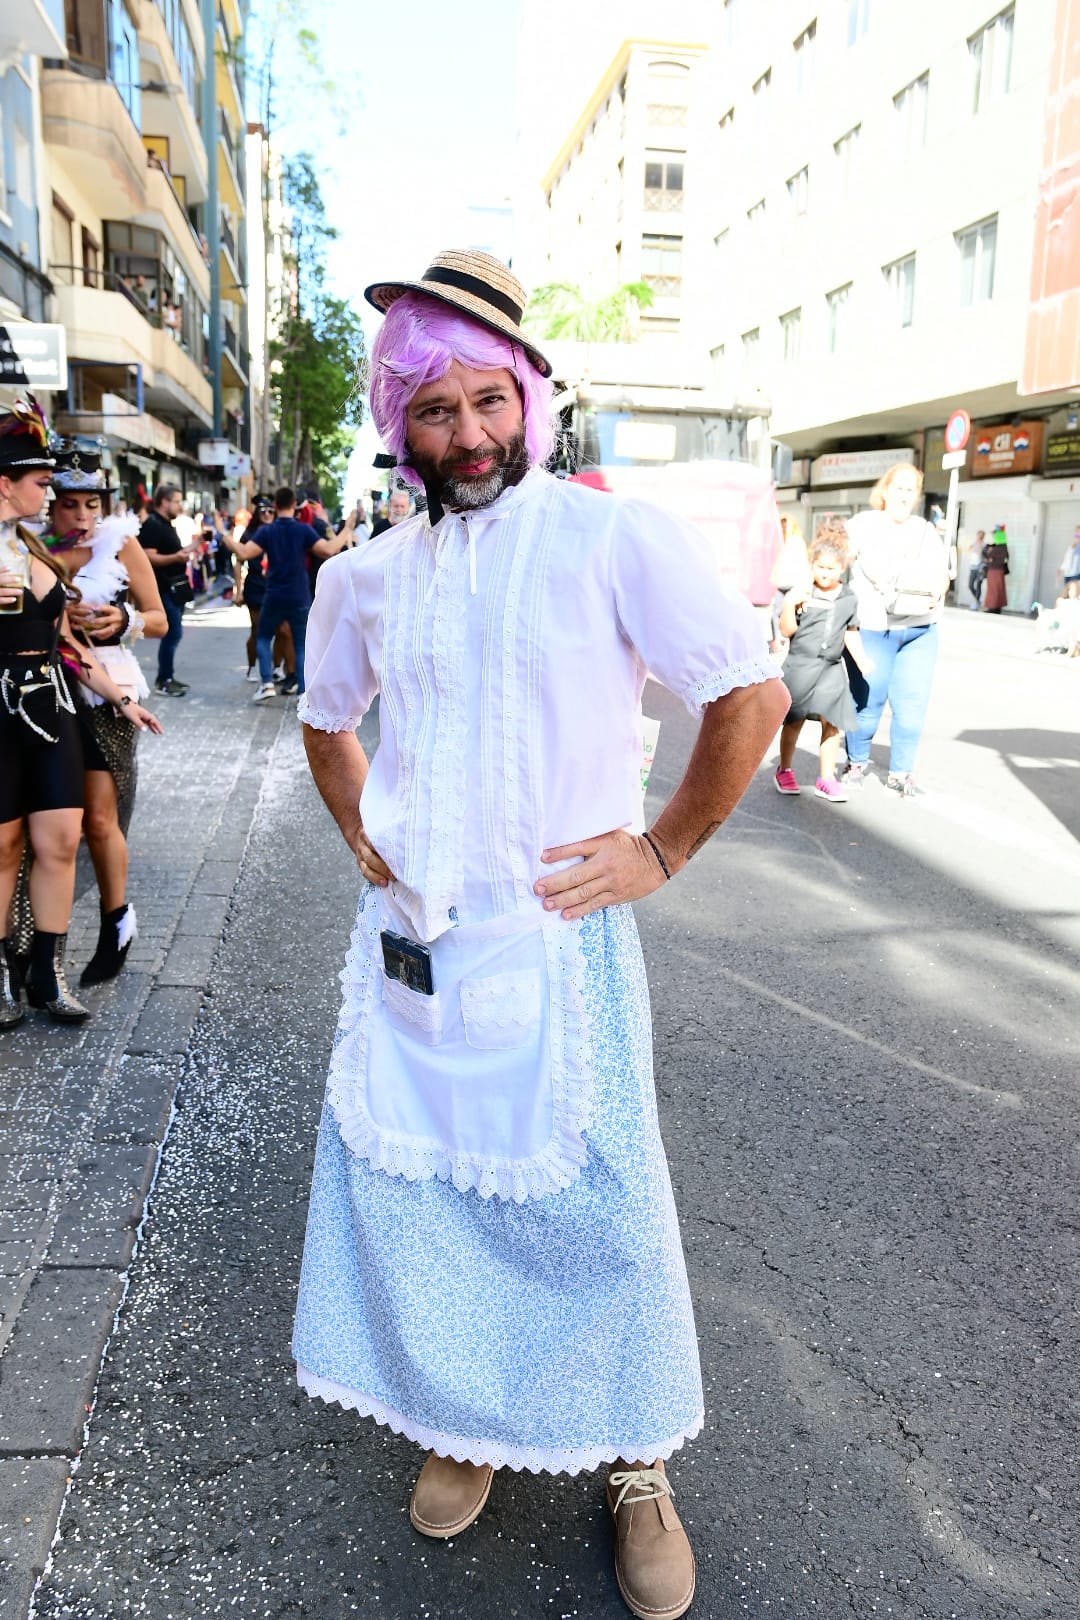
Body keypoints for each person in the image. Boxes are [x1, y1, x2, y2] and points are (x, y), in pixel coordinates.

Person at [290, 250, 788, 1620]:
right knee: (427, 1200)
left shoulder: (607, 536)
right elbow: (327, 716)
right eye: (434, 411)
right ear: (400, 423)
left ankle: (634, 1464)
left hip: (561, 945)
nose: (464, 437)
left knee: (607, 1216)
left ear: (530, 396)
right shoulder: (368, 576)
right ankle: (469, 1421)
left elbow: (747, 692)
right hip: (413, 952)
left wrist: (664, 844)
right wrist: (359, 834)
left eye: (486, 403)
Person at [0, 401, 160, 1028]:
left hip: (54, 708)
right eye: (45, 484)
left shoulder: (37, 551)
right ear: (6, 483)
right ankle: (7, 975)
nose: (56, 495)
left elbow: (66, 642)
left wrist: (123, 699)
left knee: (62, 839)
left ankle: (49, 973)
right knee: (6, 845)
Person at [43, 442, 167, 983]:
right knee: (49, 825)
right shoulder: (29, 548)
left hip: (110, 688)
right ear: (51, 504)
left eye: (92, 504)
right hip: (45, 690)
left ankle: (117, 923)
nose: (83, 516)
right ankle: (42, 948)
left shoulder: (122, 545)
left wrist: (121, 621)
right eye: (71, 504)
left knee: (99, 818)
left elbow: (159, 619)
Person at [840, 463, 950, 798]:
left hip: (920, 629)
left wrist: (939, 589)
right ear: (885, 490)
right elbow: (836, 557)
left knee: (912, 705)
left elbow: (942, 574)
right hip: (874, 627)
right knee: (868, 701)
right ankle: (856, 762)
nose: (904, 495)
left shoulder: (925, 531)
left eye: (911, 489)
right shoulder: (863, 524)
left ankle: (901, 773)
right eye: (899, 487)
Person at [774, 519, 873, 803]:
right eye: (820, 567)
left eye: (831, 569)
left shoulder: (849, 598)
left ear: (842, 568)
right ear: (811, 564)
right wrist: (791, 604)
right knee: (794, 721)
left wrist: (862, 660)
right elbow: (786, 630)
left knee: (833, 724)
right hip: (800, 666)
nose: (825, 573)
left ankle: (826, 779)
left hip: (831, 668)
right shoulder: (802, 592)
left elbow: (850, 633)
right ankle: (784, 769)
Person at [224, 486, 343, 703]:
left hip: (274, 595)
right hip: (299, 595)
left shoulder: (267, 531)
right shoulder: (303, 530)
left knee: (262, 637)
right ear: (294, 506)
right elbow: (328, 550)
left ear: (276, 505)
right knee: (300, 644)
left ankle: (267, 683)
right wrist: (348, 528)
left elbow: (243, 553)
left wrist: (223, 534)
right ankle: (303, 692)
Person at [139, 485, 197, 695]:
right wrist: (175, 558)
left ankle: (168, 676)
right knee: (172, 634)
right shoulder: (153, 524)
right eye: (177, 501)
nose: (180, 506)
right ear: (164, 502)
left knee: (174, 634)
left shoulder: (165, 524)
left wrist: (197, 543)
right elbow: (146, 555)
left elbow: (175, 553)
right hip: (163, 587)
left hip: (174, 587)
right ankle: (163, 680)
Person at [982, 525, 1009, 613]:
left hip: (994, 570)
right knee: (999, 589)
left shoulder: (997, 548)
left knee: (993, 589)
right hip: (999, 570)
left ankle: (992, 607)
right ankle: (997, 608)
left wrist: (989, 553)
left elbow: (987, 555)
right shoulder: (1003, 547)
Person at [967, 529, 987, 609]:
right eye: (979, 535)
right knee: (970, 585)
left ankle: (976, 602)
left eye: (982, 535)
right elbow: (968, 550)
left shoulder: (984, 545)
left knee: (978, 584)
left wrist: (980, 548)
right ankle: (978, 600)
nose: (980, 537)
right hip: (973, 567)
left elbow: (985, 556)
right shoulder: (973, 543)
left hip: (980, 568)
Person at [1060, 528, 1080, 600]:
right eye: (1077, 535)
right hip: (1068, 574)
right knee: (1067, 594)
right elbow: (1066, 560)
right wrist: (1060, 570)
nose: (1078, 537)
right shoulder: (1072, 546)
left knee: (1074, 595)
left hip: (1077, 575)